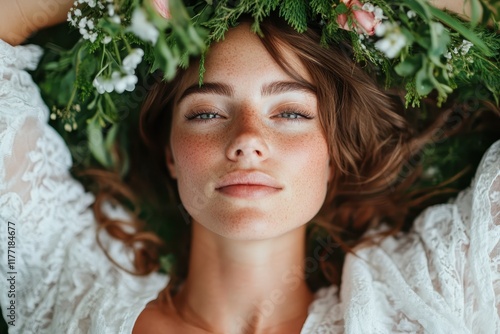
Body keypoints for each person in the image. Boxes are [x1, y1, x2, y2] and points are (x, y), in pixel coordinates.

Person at [0, 1, 498, 334]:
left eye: (291, 113)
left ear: (333, 157)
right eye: (207, 113)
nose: (247, 142)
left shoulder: (431, 288)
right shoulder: (68, 284)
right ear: (171, 154)